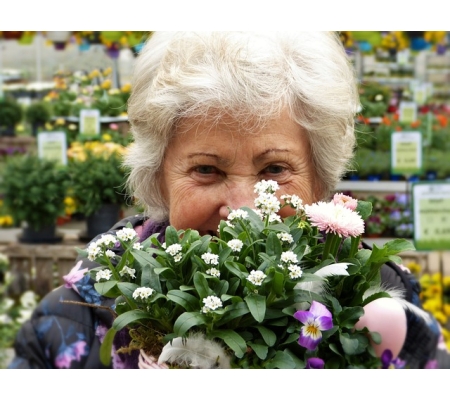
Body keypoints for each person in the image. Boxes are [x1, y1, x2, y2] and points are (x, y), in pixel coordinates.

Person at [8, 31, 448, 369]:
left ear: (320, 181)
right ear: (159, 178)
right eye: (206, 170)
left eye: (274, 170)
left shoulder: (379, 312)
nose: (241, 211)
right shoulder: (72, 321)